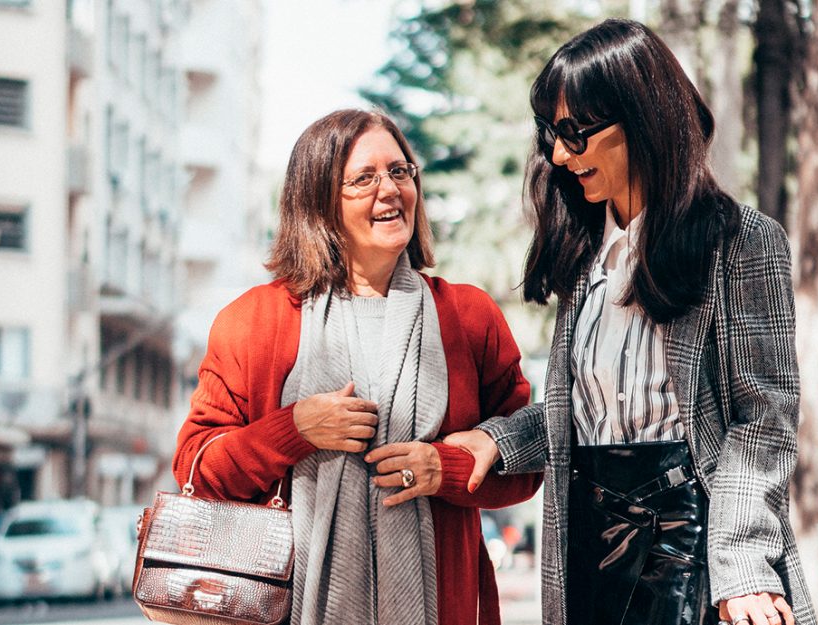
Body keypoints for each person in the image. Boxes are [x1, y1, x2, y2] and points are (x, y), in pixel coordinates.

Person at [443, 18, 815, 625]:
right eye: (551, 135)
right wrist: (498, 441)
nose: (561, 154)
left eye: (575, 132)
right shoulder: (584, 259)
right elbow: (589, 412)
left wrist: (743, 564)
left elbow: (763, 418)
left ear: (641, 118)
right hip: (585, 537)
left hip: (692, 538)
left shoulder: (741, 242)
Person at [173, 108, 542, 625]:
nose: (389, 190)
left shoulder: (468, 316)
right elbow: (197, 469)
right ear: (319, 203)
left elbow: (527, 463)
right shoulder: (253, 322)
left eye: (399, 171)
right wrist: (295, 429)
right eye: (363, 179)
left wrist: (446, 470)